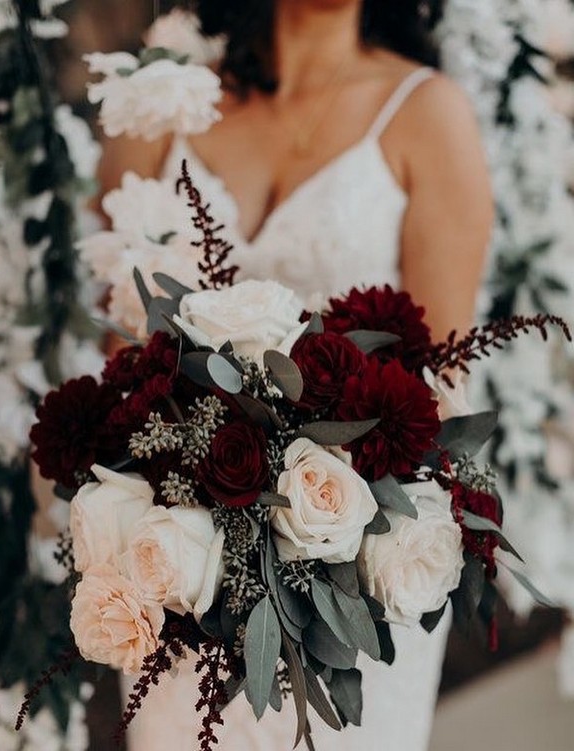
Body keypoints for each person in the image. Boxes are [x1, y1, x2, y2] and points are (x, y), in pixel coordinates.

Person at [97, 1, 493, 748]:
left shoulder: (427, 113)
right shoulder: (163, 106)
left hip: (350, 574)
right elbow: (117, 347)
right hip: (173, 560)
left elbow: (436, 386)